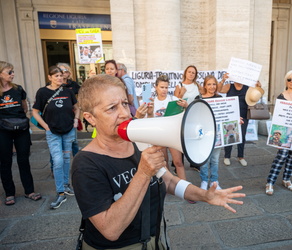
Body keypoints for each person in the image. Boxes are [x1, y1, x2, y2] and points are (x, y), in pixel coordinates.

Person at [72, 74, 245, 249]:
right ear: (90, 117)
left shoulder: (138, 140)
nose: (125, 113)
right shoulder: (86, 164)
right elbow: (110, 230)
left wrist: (204, 195)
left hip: (152, 240)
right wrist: (143, 173)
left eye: (124, 104)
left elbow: (168, 181)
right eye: (112, 108)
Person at [32, 66, 79, 209]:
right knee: (57, 161)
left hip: (68, 130)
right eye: (56, 76)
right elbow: (34, 112)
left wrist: (76, 119)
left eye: (60, 75)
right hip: (52, 132)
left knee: (65, 159)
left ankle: (66, 185)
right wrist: (45, 126)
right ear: (50, 77)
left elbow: (77, 107)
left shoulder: (67, 91)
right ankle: (60, 193)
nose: (59, 78)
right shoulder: (43, 92)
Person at [0, 61, 41, 206]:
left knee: (24, 160)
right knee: (5, 162)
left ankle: (29, 191)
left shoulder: (18, 89)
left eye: (12, 71)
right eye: (9, 72)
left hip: (21, 129)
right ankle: (9, 193)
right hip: (3, 131)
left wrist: (17, 120)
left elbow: (24, 106)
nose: (13, 74)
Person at [217, 73, 261, 167]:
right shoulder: (229, 86)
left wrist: (258, 87)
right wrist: (223, 80)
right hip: (231, 114)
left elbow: (257, 95)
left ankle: (241, 156)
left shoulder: (248, 87)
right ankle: (227, 156)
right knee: (230, 134)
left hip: (244, 114)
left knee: (242, 136)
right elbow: (219, 89)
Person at [152, 75, 188, 181]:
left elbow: (185, 114)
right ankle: (168, 186)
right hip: (159, 136)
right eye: (162, 87)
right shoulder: (152, 102)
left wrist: (186, 105)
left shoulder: (174, 99)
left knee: (178, 162)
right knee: (164, 163)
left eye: (166, 87)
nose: (164, 90)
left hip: (172, 134)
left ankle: (185, 188)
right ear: (156, 87)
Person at [195, 75, 223, 190]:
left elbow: (226, 114)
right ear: (205, 86)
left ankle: (214, 181)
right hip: (204, 132)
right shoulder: (199, 98)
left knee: (215, 159)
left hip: (217, 132)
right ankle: (204, 181)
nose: (212, 87)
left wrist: (237, 120)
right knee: (204, 159)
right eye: (209, 84)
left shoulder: (220, 98)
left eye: (214, 84)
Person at [174, 65, 203, 172]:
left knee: (194, 138)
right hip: (182, 116)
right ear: (185, 73)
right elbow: (175, 101)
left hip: (194, 115)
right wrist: (181, 92)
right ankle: (177, 164)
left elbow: (205, 94)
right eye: (189, 72)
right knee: (181, 139)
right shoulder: (179, 85)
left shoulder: (197, 85)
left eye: (193, 73)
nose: (191, 74)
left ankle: (194, 163)